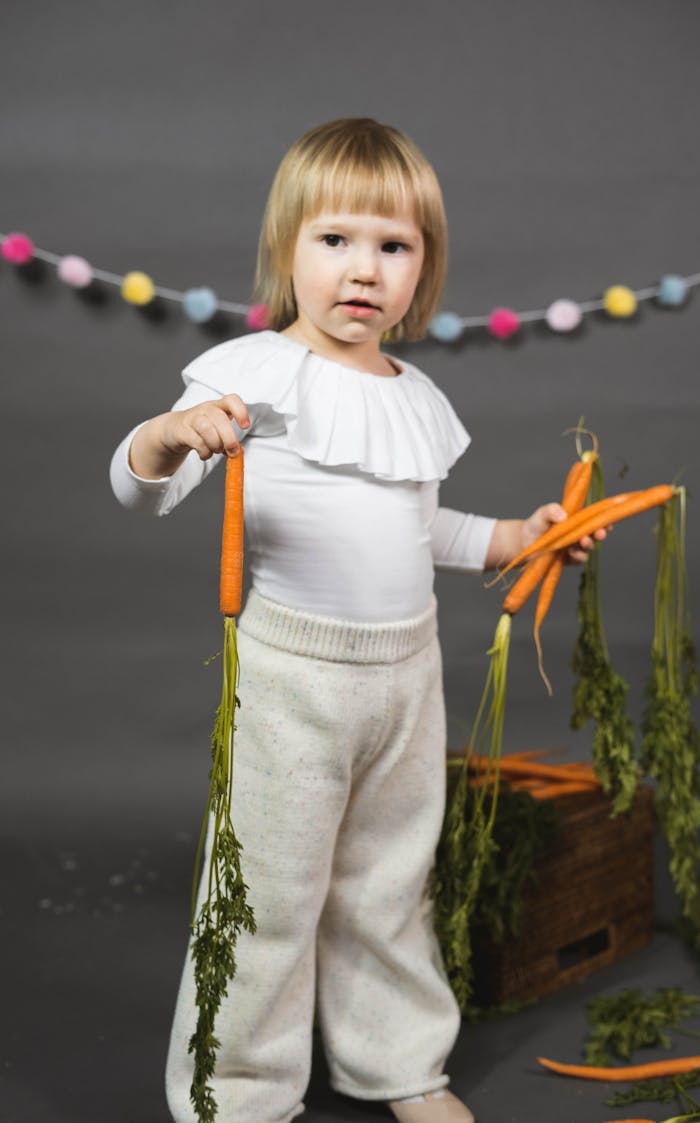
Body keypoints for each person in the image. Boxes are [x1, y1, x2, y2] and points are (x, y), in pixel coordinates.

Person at [110, 118, 603, 1123]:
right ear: (287, 250)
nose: (363, 269)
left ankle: (398, 1063)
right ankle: (239, 1091)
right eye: (335, 240)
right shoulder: (250, 375)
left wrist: (519, 534)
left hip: (405, 677)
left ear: (424, 269)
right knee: (268, 892)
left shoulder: (414, 395)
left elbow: (424, 529)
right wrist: (166, 437)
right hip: (294, 677)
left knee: (389, 881)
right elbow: (140, 493)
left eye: (394, 246)